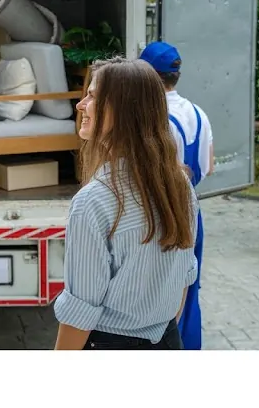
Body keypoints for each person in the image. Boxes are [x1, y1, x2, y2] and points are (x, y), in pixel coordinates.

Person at [52, 57, 199, 350]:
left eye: (92, 96)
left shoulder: (93, 202)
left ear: (121, 111)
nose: (81, 105)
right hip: (167, 340)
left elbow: (80, 312)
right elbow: (184, 277)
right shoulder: (180, 185)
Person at [139, 41, 214, 351]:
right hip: (191, 210)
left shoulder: (151, 118)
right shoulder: (199, 114)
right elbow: (208, 166)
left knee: (157, 297)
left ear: (148, 77)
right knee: (189, 287)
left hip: (159, 213)